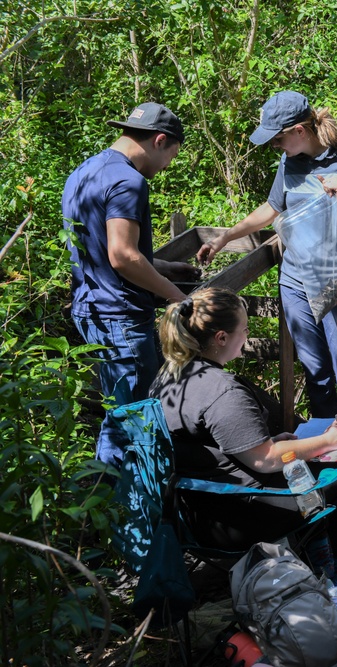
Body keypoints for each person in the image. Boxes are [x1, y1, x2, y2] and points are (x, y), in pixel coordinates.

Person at [149, 287, 337, 611]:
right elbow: (265, 461)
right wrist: (329, 441)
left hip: (194, 511)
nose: (248, 334)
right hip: (242, 519)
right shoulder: (222, 391)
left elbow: (220, 449)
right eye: (244, 329)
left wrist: (277, 443)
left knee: (306, 461)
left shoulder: (167, 379)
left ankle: (321, 564)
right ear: (222, 337)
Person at [197, 91, 337, 506]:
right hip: (295, 280)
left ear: (298, 131)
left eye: (278, 139)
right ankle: (330, 456)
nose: (275, 148)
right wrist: (228, 235)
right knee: (317, 372)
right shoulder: (289, 162)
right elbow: (272, 208)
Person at [63, 102, 201, 469]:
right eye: (172, 155)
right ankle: (129, 514)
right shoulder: (129, 181)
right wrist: (179, 297)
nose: (168, 165)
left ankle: (112, 508)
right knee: (134, 420)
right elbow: (122, 257)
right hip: (121, 317)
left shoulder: (85, 172)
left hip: (91, 309)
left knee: (120, 411)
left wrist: (167, 266)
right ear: (160, 140)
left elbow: (102, 248)